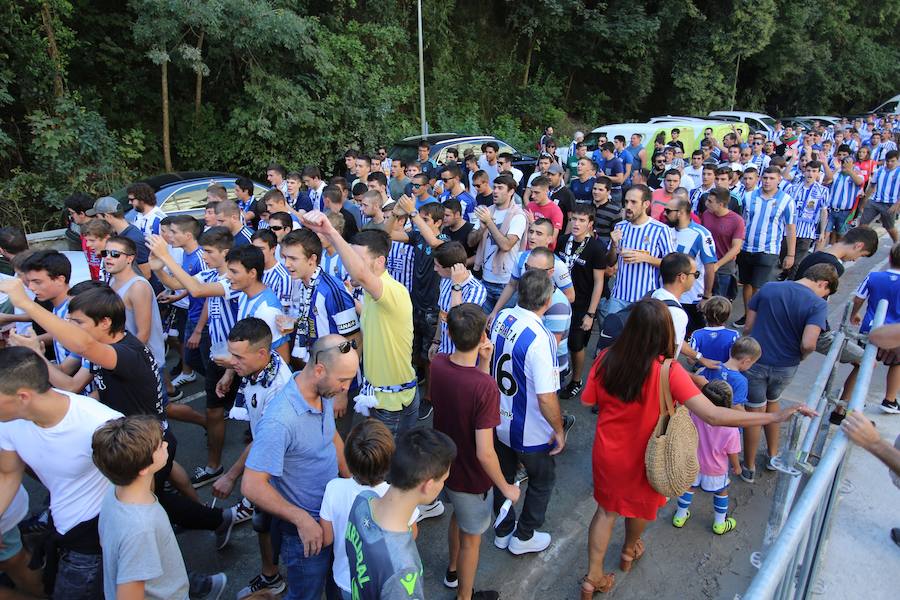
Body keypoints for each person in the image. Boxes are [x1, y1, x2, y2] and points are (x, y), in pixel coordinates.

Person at [578, 299, 816, 597]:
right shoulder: (669, 371)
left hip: (608, 453)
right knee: (639, 507)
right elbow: (714, 415)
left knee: (605, 512)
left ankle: (592, 578)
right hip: (650, 455)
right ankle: (628, 551)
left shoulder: (606, 359)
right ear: (665, 332)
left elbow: (589, 401)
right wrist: (774, 416)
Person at [0, 346, 122, 599]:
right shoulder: (9, 422)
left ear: (22, 396)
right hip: (61, 526)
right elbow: (8, 474)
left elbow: (141, 481)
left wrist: (121, 536)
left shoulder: (98, 423)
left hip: (96, 533)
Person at [242, 335, 355, 600]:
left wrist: (355, 485)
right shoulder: (280, 419)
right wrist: (302, 519)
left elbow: (332, 438)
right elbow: (252, 484)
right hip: (305, 534)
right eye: (343, 380)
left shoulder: (321, 389)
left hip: (331, 518)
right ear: (319, 369)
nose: (346, 388)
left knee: (337, 585)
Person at [301, 214, 419, 436]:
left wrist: (330, 232)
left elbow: (362, 275)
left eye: (357, 259)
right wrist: (354, 302)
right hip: (380, 397)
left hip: (392, 404)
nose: (349, 266)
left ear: (379, 262)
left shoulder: (392, 290)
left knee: (385, 466)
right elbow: (372, 315)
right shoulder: (371, 295)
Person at [431, 304, 520, 600]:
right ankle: (465, 596)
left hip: (445, 465)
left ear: (448, 332)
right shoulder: (485, 388)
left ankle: (452, 571)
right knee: (472, 539)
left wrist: (484, 363)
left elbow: (465, 395)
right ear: (483, 335)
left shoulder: (438, 363)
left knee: (459, 517)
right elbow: (485, 452)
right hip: (471, 476)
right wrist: (506, 487)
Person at [94, 416, 225, 600]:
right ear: (143, 469)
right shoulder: (141, 528)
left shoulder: (115, 491)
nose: (165, 445)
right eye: (159, 445)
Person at [212, 318, 292, 598]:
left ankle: (272, 578)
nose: (232, 361)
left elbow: (263, 441)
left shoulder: (278, 389)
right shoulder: (256, 365)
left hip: (278, 464)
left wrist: (231, 476)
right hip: (267, 453)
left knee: (268, 524)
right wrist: (229, 374)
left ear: (261, 354)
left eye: (237, 357)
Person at [489, 269, 566, 555]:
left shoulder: (502, 317)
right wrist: (558, 430)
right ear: (547, 300)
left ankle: (503, 528)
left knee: (504, 476)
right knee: (542, 479)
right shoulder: (541, 336)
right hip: (528, 428)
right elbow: (547, 397)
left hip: (498, 417)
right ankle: (524, 535)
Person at [740, 263, 838, 482]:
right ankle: (773, 455)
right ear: (823, 283)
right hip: (786, 365)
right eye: (826, 293)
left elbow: (747, 328)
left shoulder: (768, 288)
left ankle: (748, 466)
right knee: (774, 403)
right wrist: (801, 356)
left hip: (755, 360)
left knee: (754, 412)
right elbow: (809, 343)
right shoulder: (817, 305)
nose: (824, 297)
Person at [345, 427, 456, 600]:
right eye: (443, 480)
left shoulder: (363, 502)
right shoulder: (403, 569)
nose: (443, 485)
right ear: (427, 485)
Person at [320, 419, 418, 600]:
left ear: (347, 458)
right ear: (390, 461)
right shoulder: (398, 496)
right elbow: (411, 536)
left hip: (342, 581)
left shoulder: (333, 488)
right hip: (377, 586)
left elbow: (327, 539)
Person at [671, 382, 742, 536]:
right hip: (716, 470)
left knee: (688, 488)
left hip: (693, 464)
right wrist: (736, 467)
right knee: (721, 492)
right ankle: (720, 523)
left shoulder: (694, 414)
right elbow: (732, 452)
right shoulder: (731, 428)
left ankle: (680, 516)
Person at [735, 166, 797, 326]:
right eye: (765, 178)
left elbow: (790, 228)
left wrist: (790, 254)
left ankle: (756, 317)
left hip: (768, 249)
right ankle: (747, 314)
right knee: (747, 283)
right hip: (746, 247)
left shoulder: (786, 201)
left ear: (779, 180)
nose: (767, 181)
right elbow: (742, 221)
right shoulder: (749, 197)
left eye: (772, 178)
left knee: (758, 285)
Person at [556, 205, 606, 399]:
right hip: (559, 301)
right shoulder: (562, 241)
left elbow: (599, 282)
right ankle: (562, 370)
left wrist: (591, 314)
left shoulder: (595, 248)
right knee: (557, 340)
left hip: (582, 304)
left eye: (582, 220)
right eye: (574, 219)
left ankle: (576, 380)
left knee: (576, 345)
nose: (576, 224)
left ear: (590, 224)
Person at [489, 218, 574, 322]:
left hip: (543, 319)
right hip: (522, 314)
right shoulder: (520, 257)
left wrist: (542, 310)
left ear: (550, 239)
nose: (532, 236)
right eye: (531, 231)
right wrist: (495, 311)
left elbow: (570, 296)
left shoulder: (558, 265)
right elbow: (511, 285)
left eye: (539, 233)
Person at [607, 185, 675, 314]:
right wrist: (613, 245)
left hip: (646, 299)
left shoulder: (660, 229)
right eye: (626, 202)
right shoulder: (619, 226)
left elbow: (672, 264)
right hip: (619, 296)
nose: (628, 206)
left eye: (633, 202)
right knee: (612, 333)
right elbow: (610, 262)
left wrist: (645, 258)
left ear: (646, 204)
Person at [850, 242, 900, 413]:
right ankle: (890, 400)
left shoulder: (873, 276)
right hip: (893, 334)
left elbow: (858, 298)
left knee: (862, 363)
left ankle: (851, 398)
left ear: (890, 257)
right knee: (897, 364)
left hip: (870, 329)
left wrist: (854, 314)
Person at [470, 174, 527, 312]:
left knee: (501, 325)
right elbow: (471, 242)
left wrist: (489, 222)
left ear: (511, 191)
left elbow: (506, 245)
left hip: (507, 283)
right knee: (483, 326)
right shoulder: (487, 211)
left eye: (500, 188)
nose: (495, 191)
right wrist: (481, 229)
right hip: (485, 279)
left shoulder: (518, 216)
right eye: (494, 187)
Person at [663, 196, 717, 332]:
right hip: (668, 295)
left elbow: (710, 267)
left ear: (680, 212)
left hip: (691, 298)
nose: (664, 213)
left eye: (668, 211)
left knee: (691, 338)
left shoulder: (701, 234)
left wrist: (706, 296)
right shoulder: (666, 231)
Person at [431, 242, 487, 357]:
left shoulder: (476, 290)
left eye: (438, 265)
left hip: (461, 358)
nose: (434, 269)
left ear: (452, 269)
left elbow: (458, 321)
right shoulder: (446, 280)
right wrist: (436, 341)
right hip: (443, 350)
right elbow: (443, 314)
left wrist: (456, 285)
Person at [781, 160, 829, 279]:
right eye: (808, 170)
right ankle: (786, 272)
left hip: (807, 230)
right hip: (790, 229)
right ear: (804, 171)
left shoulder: (823, 191)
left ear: (818, 173)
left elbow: (824, 211)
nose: (810, 174)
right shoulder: (793, 188)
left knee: (798, 260)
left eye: (814, 171)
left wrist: (822, 231)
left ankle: (791, 281)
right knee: (784, 254)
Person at [86, 196, 152, 279]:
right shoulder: (116, 234)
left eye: (98, 217)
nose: (96, 220)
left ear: (107, 216)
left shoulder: (134, 239)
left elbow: (146, 274)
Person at [701, 187, 745, 300]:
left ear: (721, 204)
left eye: (710, 201)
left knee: (719, 301)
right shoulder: (706, 214)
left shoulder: (737, 220)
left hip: (723, 268)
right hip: (705, 264)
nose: (706, 203)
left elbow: (736, 248)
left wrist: (717, 265)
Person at [695, 336, 762, 409]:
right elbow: (735, 406)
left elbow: (697, 382)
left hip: (701, 408)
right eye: (752, 363)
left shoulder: (713, 366)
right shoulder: (741, 381)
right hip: (719, 416)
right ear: (747, 361)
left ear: (730, 351)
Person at [860, 150, 900, 243]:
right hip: (875, 201)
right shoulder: (879, 170)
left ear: (897, 160)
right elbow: (872, 186)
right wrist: (864, 201)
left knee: (889, 227)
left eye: (892, 161)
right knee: (863, 224)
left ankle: (897, 244)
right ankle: (862, 243)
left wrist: (896, 205)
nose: (889, 163)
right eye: (888, 161)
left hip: (890, 204)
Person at [64, 193, 103, 281]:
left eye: (72, 213)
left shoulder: (102, 232)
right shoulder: (83, 231)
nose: (71, 217)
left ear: (81, 213)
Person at [688, 296, 740, 364]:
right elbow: (737, 358)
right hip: (724, 372)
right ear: (728, 316)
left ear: (705, 315)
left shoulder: (697, 334)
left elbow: (690, 360)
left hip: (702, 371)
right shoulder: (734, 335)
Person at [526, 176, 564, 250]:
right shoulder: (530, 206)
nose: (533, 196)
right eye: (532, 192)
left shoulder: (556, 211)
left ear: (546, 191)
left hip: (544, 255)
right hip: (528, 251)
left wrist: (533, 223)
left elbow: (552, 239)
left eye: (537, 192)